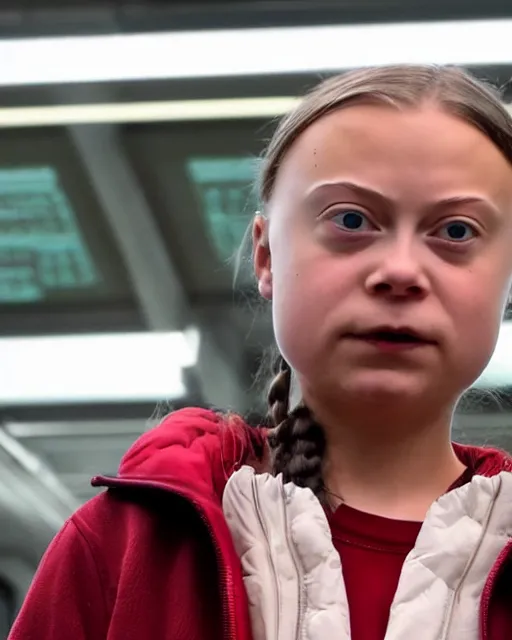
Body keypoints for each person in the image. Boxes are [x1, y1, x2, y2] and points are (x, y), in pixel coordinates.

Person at [8, 65, 512, 640]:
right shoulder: (121, 551)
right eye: (350, 220)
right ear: (266, 256)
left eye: (456, 232)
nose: (399, 271)